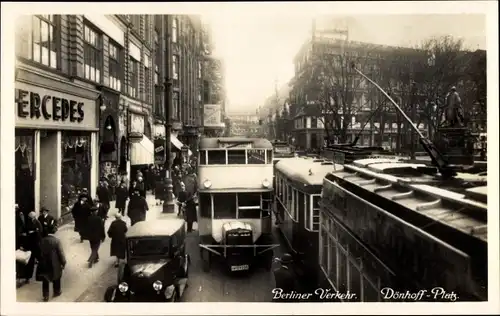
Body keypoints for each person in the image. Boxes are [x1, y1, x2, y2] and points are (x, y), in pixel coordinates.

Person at [36, 225, 66, 302]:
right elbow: (61, 253)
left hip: (43, 263)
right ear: (54, 232)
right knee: (57, 277)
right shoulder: (56, 241)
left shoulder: (41, 240)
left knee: (45, 279)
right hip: (54, 263)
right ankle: (57, 291)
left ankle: (45, 295)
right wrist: (63, 262)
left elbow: (38, 252)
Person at [22, 211, 43, 284]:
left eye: (31, 217)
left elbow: (40, 232)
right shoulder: (28, 223)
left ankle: (43, 273)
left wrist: (33, 232)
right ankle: (28, 277)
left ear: (34, 217)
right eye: (29, 217)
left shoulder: (37, 222)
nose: (30, 218)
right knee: (30, 261)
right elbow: (26, 231)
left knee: (41, 259)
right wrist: (29, 233)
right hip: (30, 245)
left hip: (36, 244)